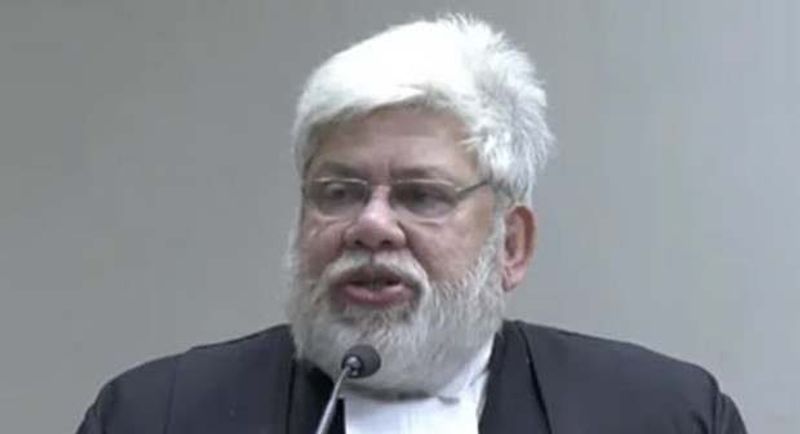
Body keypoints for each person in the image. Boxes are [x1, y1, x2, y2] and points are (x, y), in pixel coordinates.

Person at [77, 15, 747, 433]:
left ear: (511, 245)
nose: (372, 226)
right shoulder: (153, 417)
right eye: (339, 192)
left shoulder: (666, 416)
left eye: (422, 196)